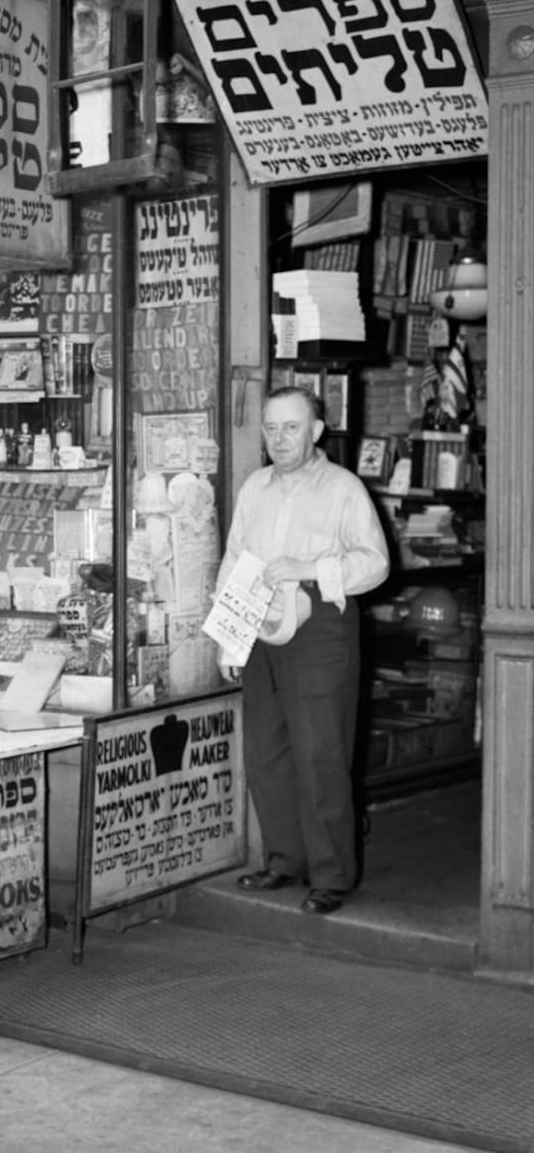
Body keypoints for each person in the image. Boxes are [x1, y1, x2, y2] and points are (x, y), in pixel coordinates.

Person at [215, 386, 389, 915]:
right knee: (266, 753)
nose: (279, 439)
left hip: (321, 626)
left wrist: (310, 569)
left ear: (316, 431)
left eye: (292, 428)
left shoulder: (344, 488)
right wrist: (229, 635)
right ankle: (284, 859)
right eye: (271, 428)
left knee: (321, 753)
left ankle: (332, 873)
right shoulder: (255, 487)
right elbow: (234, 559)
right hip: (260, 621)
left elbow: (375, 563)